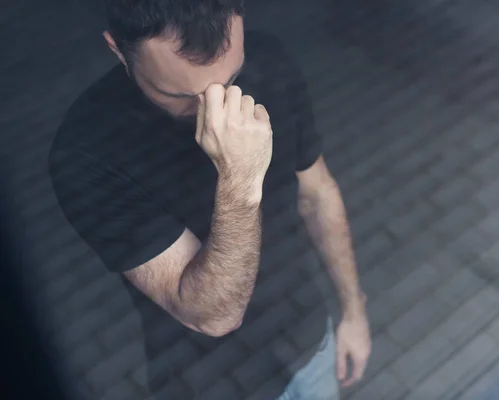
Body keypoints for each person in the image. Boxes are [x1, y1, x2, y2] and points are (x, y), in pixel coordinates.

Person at [48, 0, 371, 398]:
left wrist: (353, 310)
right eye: (178, 94)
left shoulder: (269, 60)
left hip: (308, 338)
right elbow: (213, 317)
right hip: (208, 382)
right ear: (117, 49)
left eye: (231, 79)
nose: (213, 116)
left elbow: (317, 193)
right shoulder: (85, 153)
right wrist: (240, 177)